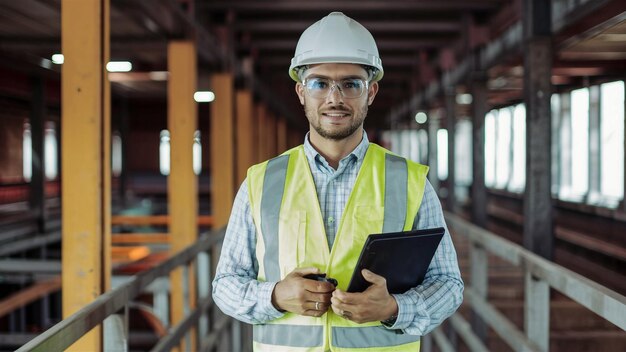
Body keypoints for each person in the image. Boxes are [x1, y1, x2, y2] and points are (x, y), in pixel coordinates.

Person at [213, 12, 463, 352]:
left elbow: (448, 283)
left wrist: (394, 308)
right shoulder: (261, 182)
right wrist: (274, 296)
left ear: (371, 92)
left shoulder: (410, 181)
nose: (335, 98)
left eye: (350, 83)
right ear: (301, 92)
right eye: (320, 83)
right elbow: (225, 283)